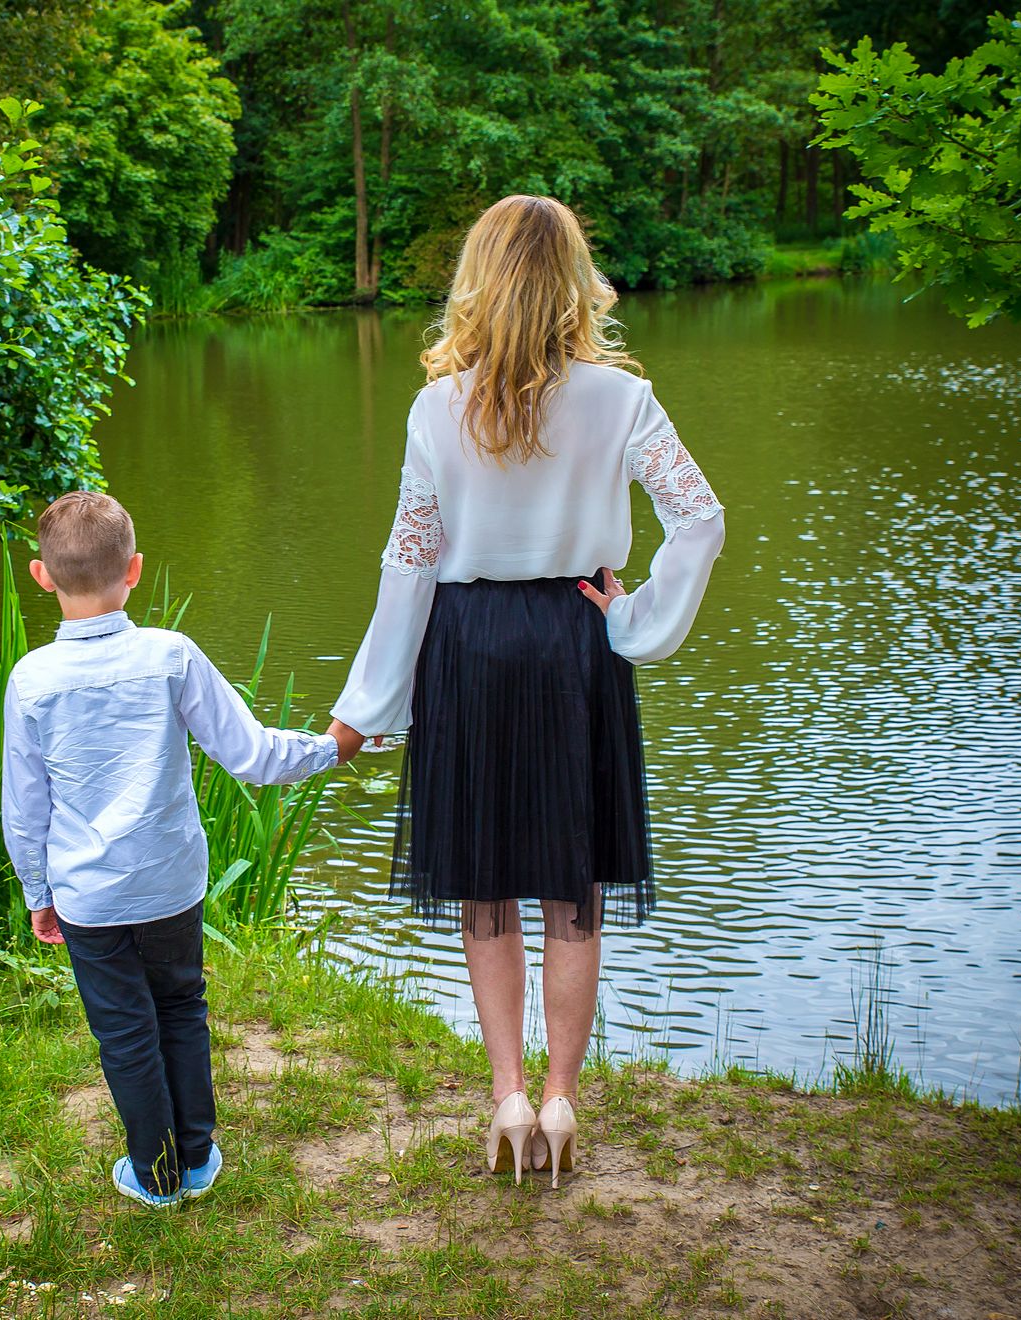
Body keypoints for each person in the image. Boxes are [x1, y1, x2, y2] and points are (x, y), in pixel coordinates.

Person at [326, 196, 726, 1190]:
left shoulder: (436, 407)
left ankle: (505, 1096)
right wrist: (636, 622)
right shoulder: (621, 399)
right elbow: (700, 518)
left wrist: (368, 706)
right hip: (574, 641)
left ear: (481, 281)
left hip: (468, 645)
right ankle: (559, 1098)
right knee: (571, 889)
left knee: (487, 885)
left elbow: (410, 563)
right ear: (572, 285)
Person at [2, 491, 359, 1208]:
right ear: (133, 569)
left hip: (88, 895)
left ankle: (155, 1175)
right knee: (180, 1006)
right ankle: (195, 1156)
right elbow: (251, 754)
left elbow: (26, 805)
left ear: (41, 577)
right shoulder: (170, 656)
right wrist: (331, 748)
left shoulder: (31, 679)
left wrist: (39, 893)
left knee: (123, 1030)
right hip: (170, 882)